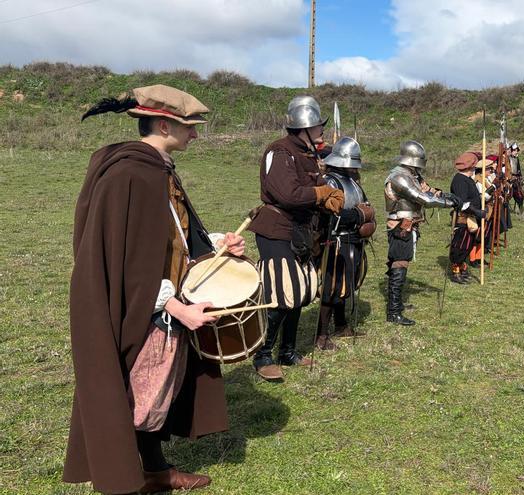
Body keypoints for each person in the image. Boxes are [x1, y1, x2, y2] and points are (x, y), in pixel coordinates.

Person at [65, 85, 246, 493]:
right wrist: (176, 307)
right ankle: (135, 475)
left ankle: (154, 469)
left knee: (156, 394)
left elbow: (169, 236)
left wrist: (215, 242)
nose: (195, 135)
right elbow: (126, 262)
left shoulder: (156, 169)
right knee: (138, 396)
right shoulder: (130, 173)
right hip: (140, 308)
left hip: (159, 301)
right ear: (165, 124)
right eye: (189, 127)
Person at [247, 96, 344, 381]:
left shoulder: (307, 154)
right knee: (280, 295)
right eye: (317, 126)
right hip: (276, 230)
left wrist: (328, 196)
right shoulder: (280, 152)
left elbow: (316, 188)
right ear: (304, 127)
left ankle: (287, 352)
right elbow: (287, 194)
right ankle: (263, 355)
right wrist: (321, 194)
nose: (322, 131)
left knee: (299, 293)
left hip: (301, 231)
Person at [384, 140, 459, 325]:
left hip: (409, 225)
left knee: (402, 264)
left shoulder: (413, 175)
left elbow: (428, 190)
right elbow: (422, 198)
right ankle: (393, 311)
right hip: (401, 226)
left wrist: (445, 195)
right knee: (399, 265)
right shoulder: (398, 177)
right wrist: (448, 203)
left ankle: (397, 304)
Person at [315, 137, 375, 349]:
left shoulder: (352, 182)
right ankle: (321, 336)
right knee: (332, 287)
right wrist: (358, 216)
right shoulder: (330, 182)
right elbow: (329, 216)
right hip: (336, 240)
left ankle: (340, 326)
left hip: (353, 239)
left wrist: (367, 218)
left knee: (345, 286)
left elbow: (363, 206)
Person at [449, 152, 487, 284]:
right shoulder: (459, 180)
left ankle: (462, 269)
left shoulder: (469, 179)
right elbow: (463, 203)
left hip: (471, 218)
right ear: (470, 167)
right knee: (460, 246)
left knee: (467, 246)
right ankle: (456, 272)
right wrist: (477, 212)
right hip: (463, 218)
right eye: (474, 166)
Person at [508, 142, 524, 214]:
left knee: (520, 195)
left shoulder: (516, 159)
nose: (516, 152)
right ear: (511, 150)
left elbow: (518, 169)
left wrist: (520, 177)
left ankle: (522, 211)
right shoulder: (507, 158)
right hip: (509, 178)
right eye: (515, 150)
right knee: (508, 194)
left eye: (517, 151)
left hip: (516, 179)